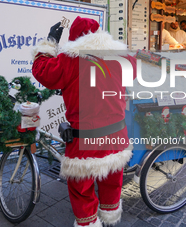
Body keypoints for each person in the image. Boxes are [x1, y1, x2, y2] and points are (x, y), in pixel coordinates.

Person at [32, 16, 135, 227]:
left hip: (85, 138)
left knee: (81, 187)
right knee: (112, 179)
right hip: (116, 134)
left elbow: (43, 72)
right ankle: (110, 216)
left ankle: (88, 223)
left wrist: (49, 43)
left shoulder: (69, 60)